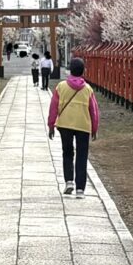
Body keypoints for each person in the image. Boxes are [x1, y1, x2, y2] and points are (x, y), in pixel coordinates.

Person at [48, 57, 99, 198]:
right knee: (82, 156)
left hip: (65, 124)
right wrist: (94, 128)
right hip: (83, 125)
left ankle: (69, 181)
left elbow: (53, 107)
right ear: (83, 71)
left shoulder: (61, 86)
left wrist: (51, 125)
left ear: (70, 70)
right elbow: (93, 111)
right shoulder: (88, 89)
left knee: (67, 152)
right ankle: (80, 190)